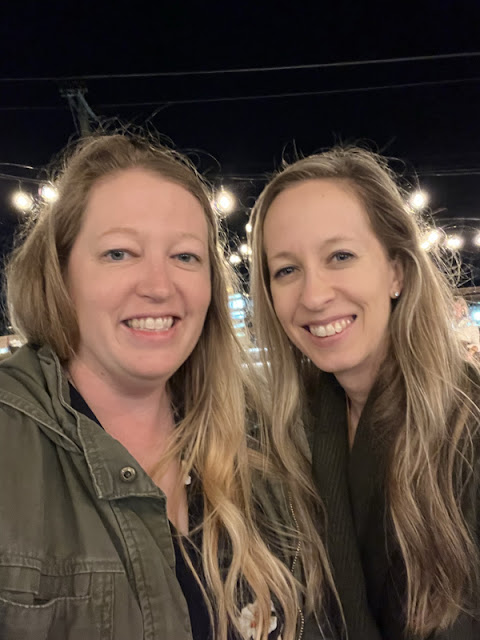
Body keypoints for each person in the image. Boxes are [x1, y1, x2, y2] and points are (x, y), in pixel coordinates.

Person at [0, 134, 335, 640]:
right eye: (119, 253)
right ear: (60, 274)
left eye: (184, 256)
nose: (159, 286)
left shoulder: (260, 439)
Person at [250, 146, 480, 640]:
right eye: (286, 270)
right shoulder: (288, 437)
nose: (314, 295)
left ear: (396, 271)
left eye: (341, 257)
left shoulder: (470, 426)